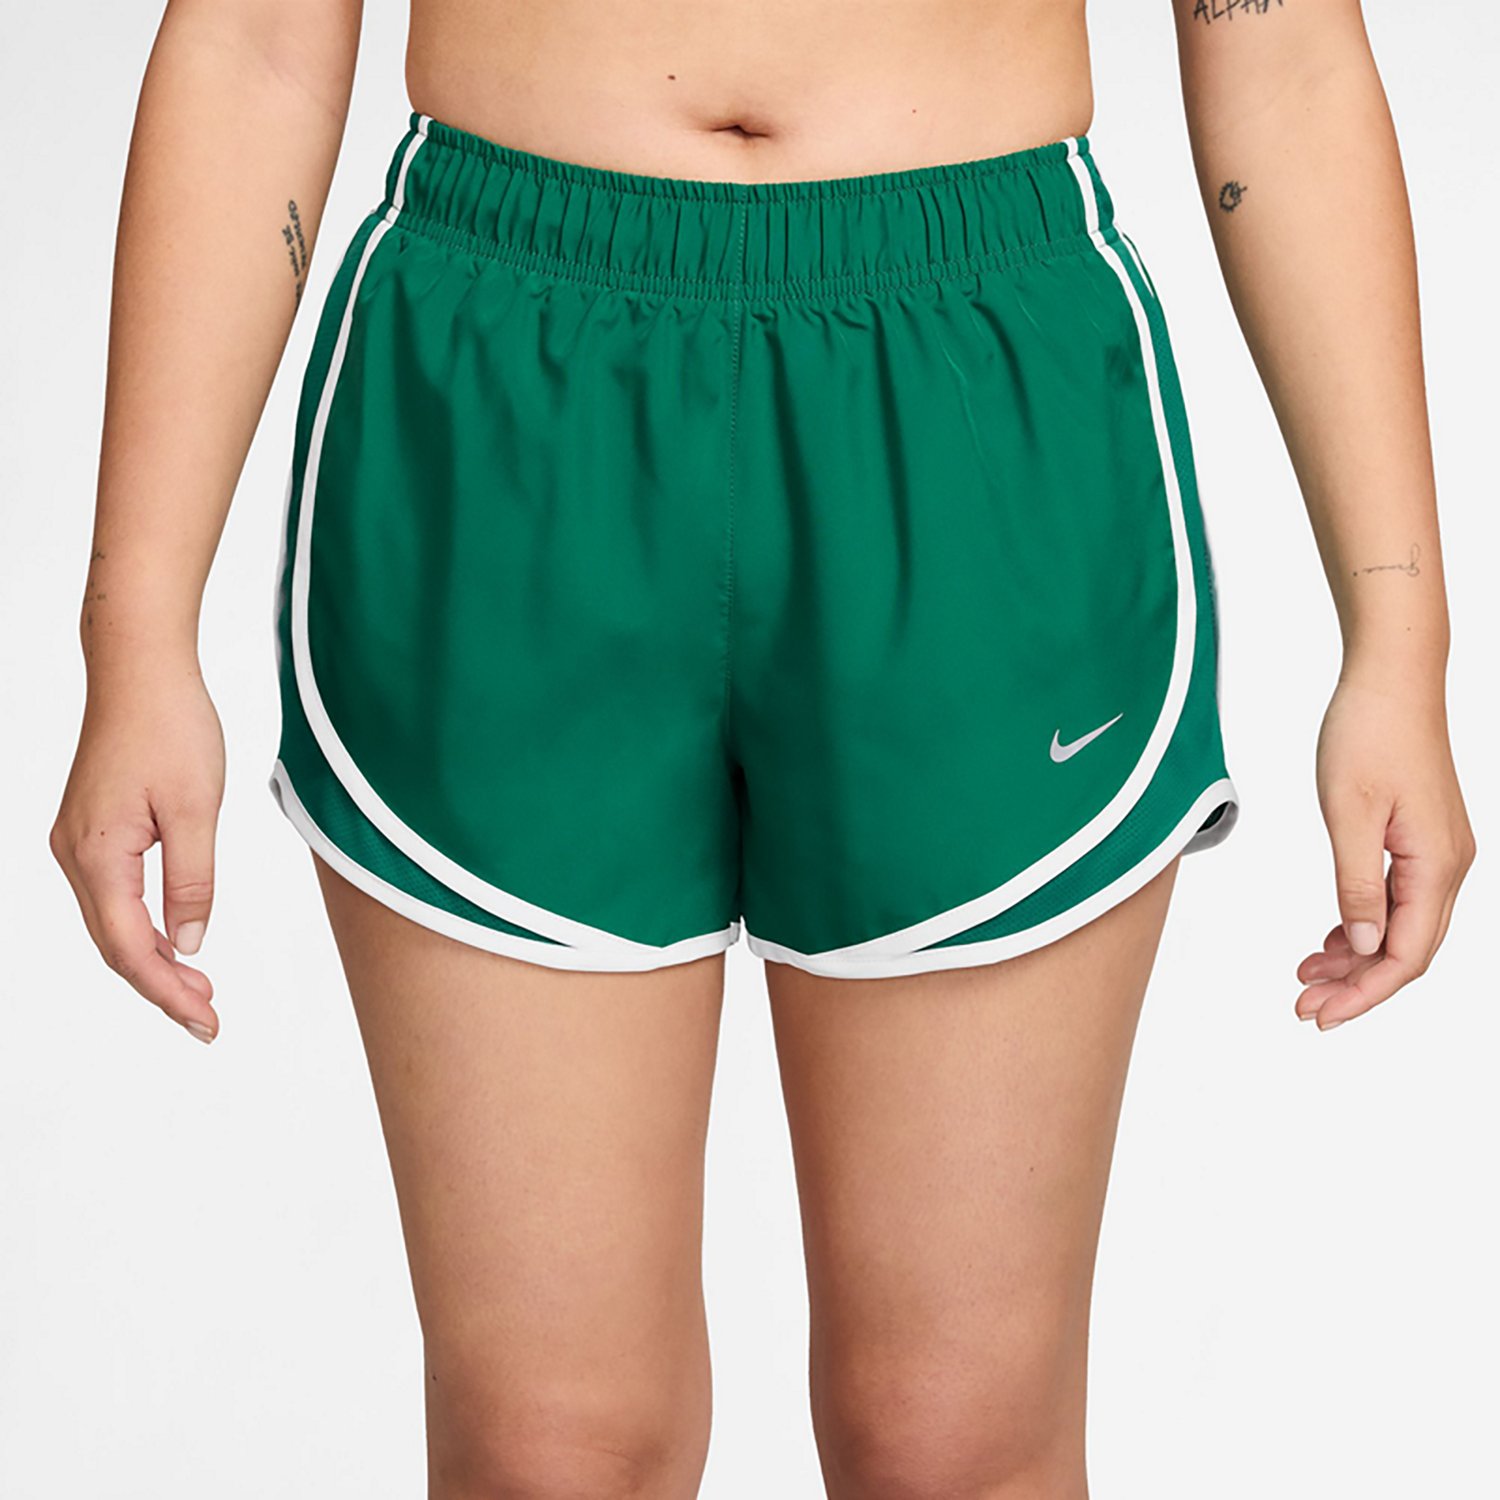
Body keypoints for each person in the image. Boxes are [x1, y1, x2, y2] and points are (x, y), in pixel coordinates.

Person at [51, 0, 1474, 1494]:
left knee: (953, 1445)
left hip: (969, 375)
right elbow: (258, 39)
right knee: (547, 1456)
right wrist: (133, 627)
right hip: (510, 380)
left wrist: (1401, 640)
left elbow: (1282, 53)